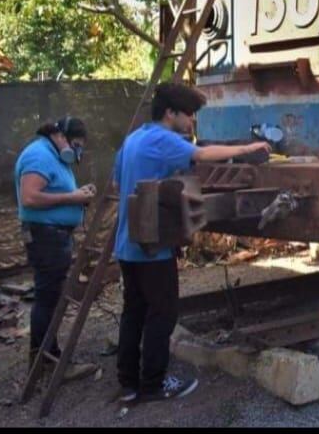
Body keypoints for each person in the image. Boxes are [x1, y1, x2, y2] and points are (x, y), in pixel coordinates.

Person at [113, 83, 270, 403]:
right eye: (190, 115)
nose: (192, 121)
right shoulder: (161, 138)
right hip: (152, 247)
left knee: (134, 312)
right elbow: (201, 155)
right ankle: (154, 385)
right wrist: (246, 149)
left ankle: (128, 382)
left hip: (127, 244)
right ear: (170, 113)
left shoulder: (133, 139)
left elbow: (119, 182)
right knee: (163, 314)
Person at [15, 116, 98, 380]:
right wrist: (72, 197)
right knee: (47, 300)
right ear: (60, 136)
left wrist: (78, 194)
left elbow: (54, 191)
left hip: (53, 235)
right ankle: (45, 364)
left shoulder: (52, 156)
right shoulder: (39, 156)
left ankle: (47, 359)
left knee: (49, 299)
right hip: (46, 237)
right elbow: (29, 198)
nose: (77, 152)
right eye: (75, 144)